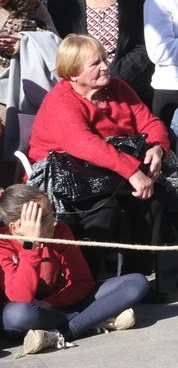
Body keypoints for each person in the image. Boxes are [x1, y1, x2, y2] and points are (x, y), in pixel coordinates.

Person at [27, 35, 170, 278]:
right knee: (104, 208)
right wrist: (132, 172)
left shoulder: (118, 88)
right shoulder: (61, 100)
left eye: (105, 59)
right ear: (73, 72)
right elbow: (84, 144)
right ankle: (87, 281)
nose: (105, 66)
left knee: (153, 198)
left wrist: (157, 147)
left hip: (110, 170)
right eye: (95, 63)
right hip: (67, 175)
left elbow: (150, 123)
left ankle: (138, 277)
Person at [0, 183, 147, 355]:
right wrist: (31, 245)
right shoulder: (3, 244)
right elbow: (21, 298)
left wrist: (51, 302)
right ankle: (94, 319)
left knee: (136, 282)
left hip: (60, 304)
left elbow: (83, 282)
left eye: (52, 213)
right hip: (29, 314)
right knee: (17, 315)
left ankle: (65, 332)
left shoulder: (60, 230)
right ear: (15, 227)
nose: (53, 222)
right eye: (44, 218)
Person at [47, 0, 154, 106]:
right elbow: (57, 46)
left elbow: (144, 47)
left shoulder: (136, 4)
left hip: (126, 93)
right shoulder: (63, 4)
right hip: (79, 94)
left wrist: (111, 75)